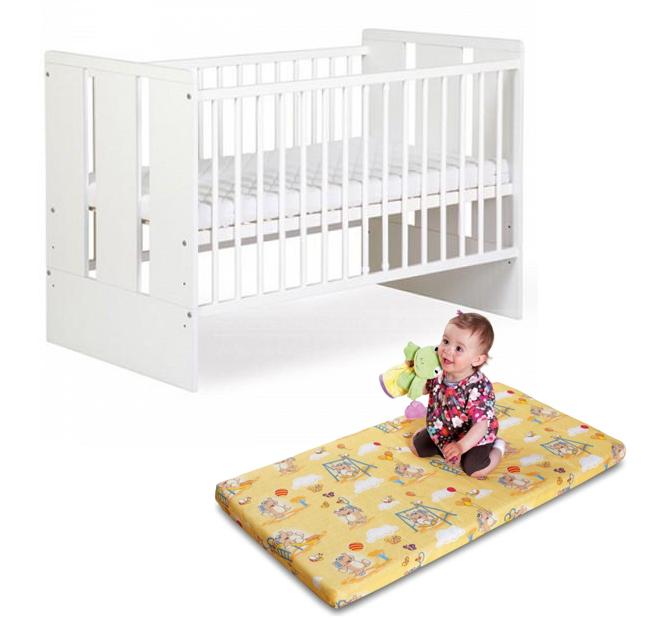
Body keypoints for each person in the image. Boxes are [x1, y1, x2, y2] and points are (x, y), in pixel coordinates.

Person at [409, 310, 506, 480]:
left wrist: (461, 447)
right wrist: (414, 376)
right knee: (418, 447)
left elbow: (481, 426)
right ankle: (434, 435)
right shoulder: (439, 372)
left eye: (459, 348)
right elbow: (426, 388)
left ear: (477, 359)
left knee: (474, 469)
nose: (447, 350)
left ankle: (498, 447)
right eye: (446, 341)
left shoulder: (478, 388)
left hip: (474, 435)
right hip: (445, 428)